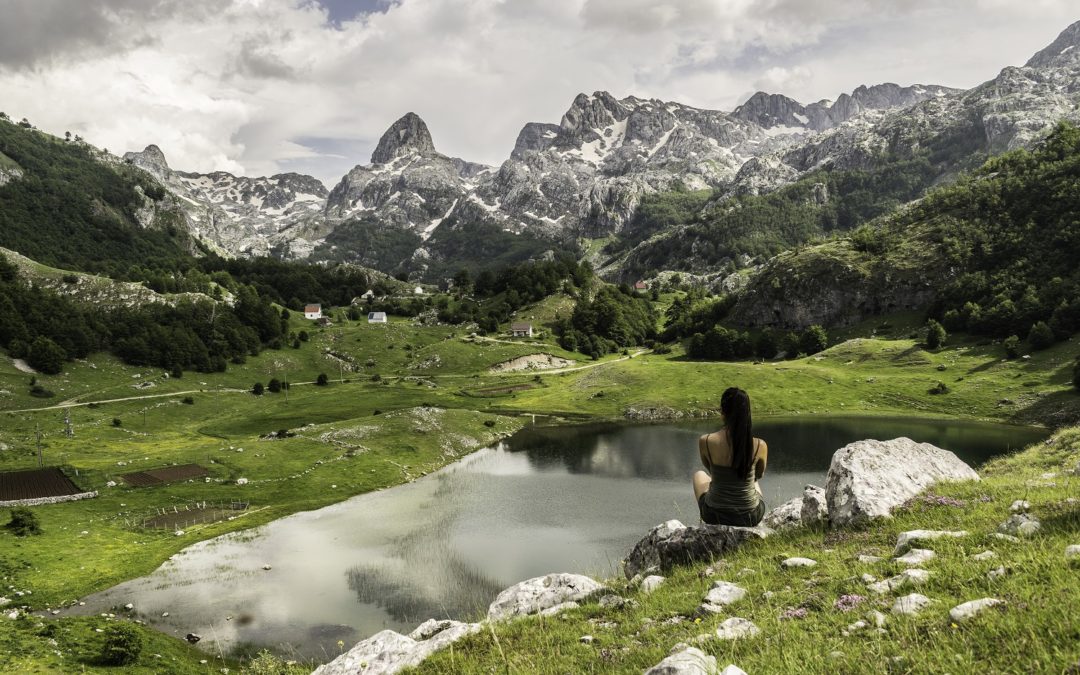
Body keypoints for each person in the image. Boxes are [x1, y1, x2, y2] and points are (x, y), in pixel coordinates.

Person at [692, 387, 768, 526]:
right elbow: (759, 474)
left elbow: (711, 470)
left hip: (713, 514)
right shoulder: (759, 445)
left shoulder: (706, 441)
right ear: (747, 413)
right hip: (750, 516)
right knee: (753, 480)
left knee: (699, 475)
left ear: (722, 412)